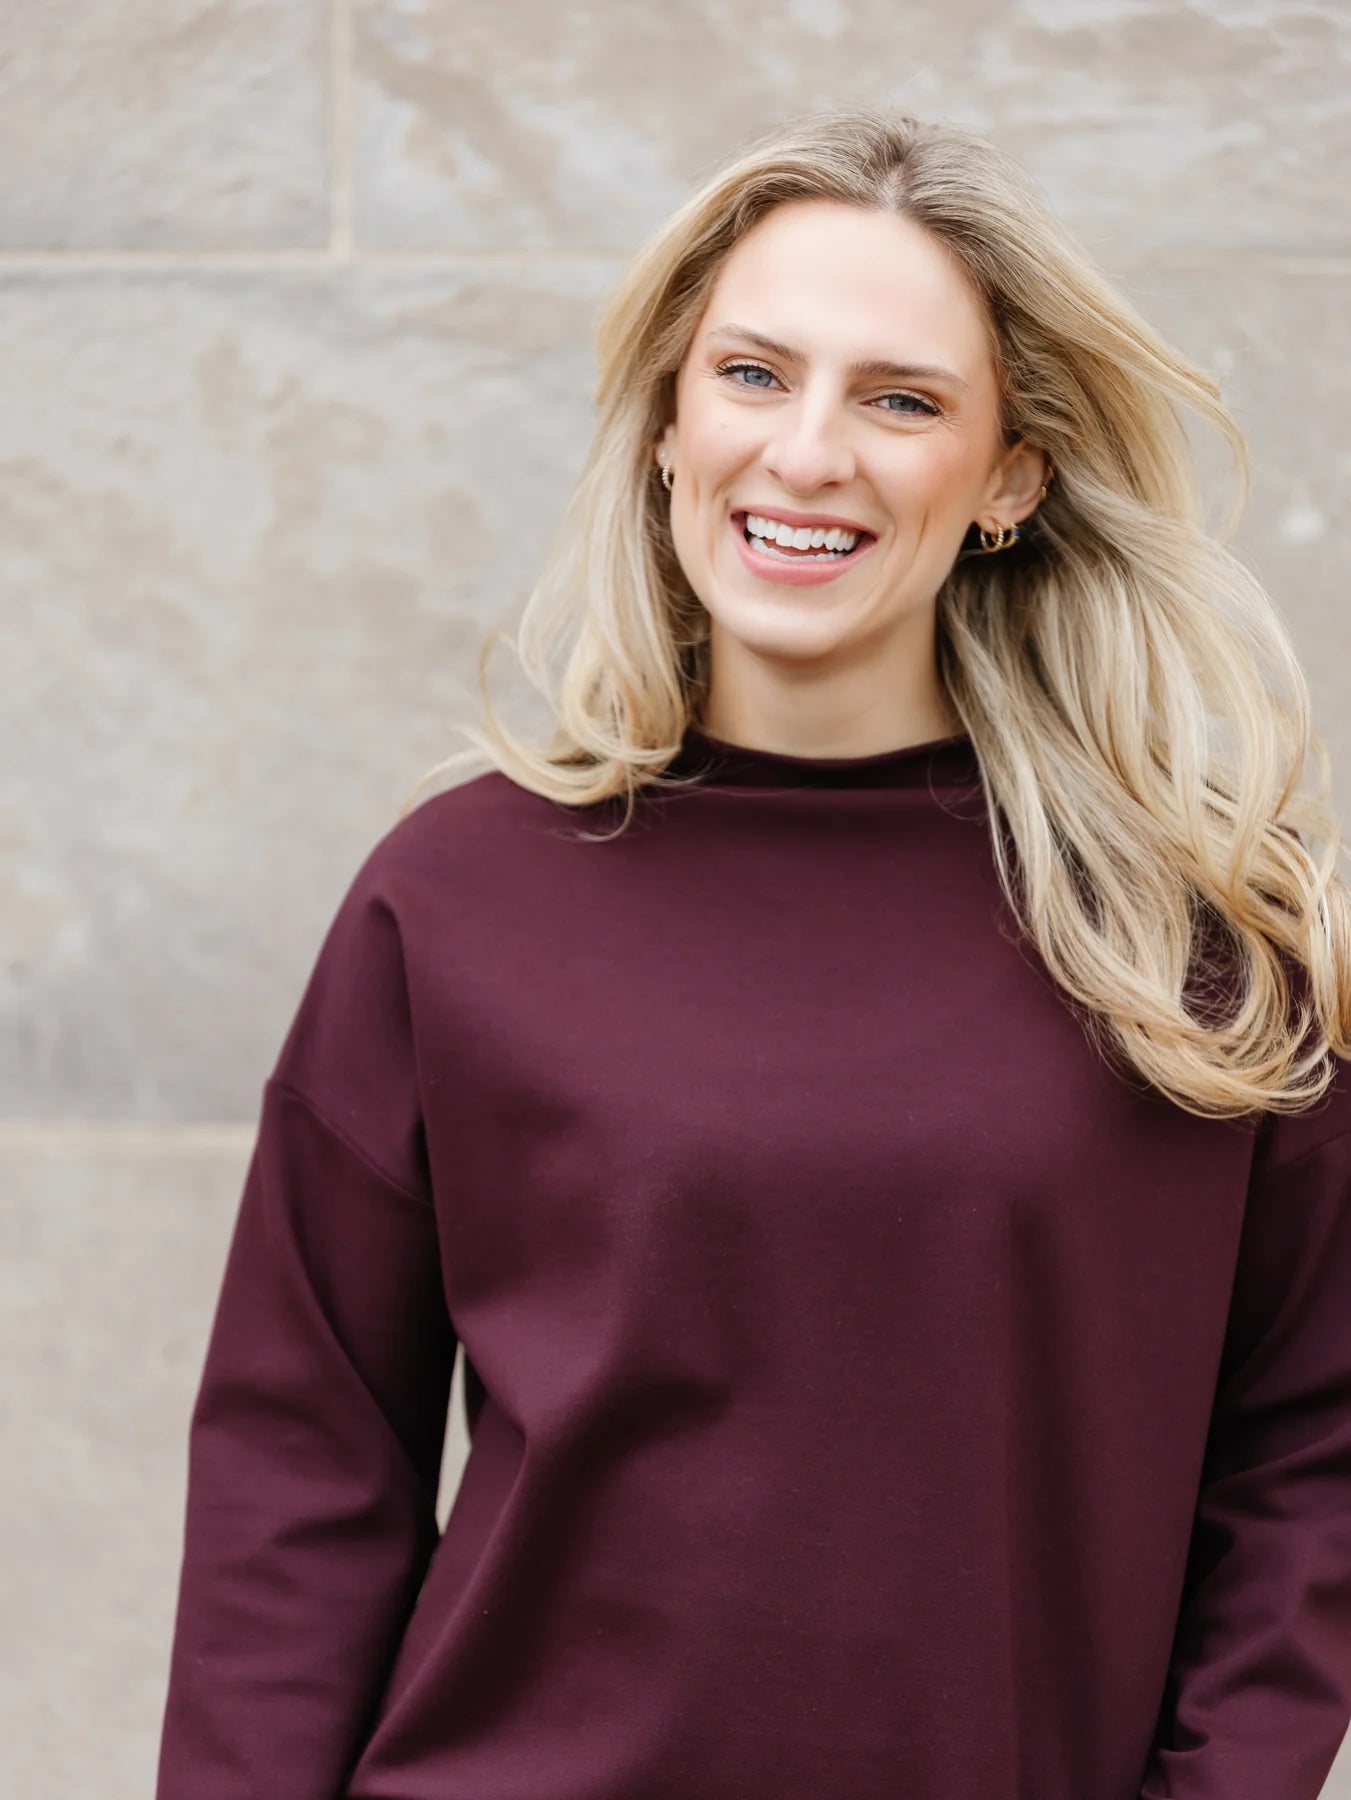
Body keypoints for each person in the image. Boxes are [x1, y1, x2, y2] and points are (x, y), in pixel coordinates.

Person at [156, 108, 1351, 1800]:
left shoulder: (1194, 938)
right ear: (666, 420)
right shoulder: (458, 901)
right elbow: (302, 1476)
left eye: (902, 399)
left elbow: (1312, 1458)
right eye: (751, 375)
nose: (805, 455)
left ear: (1012, 473)